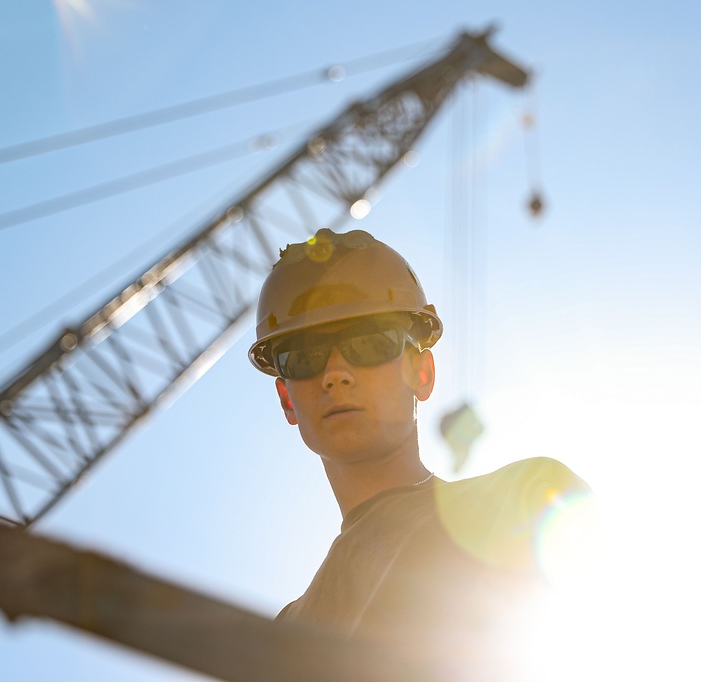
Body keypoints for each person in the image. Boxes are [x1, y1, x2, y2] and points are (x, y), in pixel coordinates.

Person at [248, 227, 594, 679]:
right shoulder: (283, 637)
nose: (335, 373)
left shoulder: (531, 501)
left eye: (368, 341)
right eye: (304, 356)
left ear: (423, 373)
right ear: (287, 400)